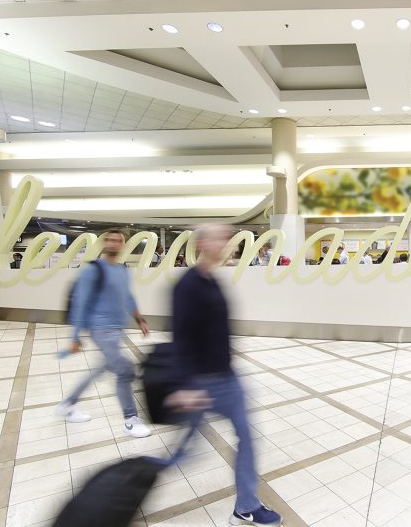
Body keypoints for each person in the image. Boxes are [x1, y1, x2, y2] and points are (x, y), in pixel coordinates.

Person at [166, 224, 282, 527]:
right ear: (203, 244)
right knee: (183, 455)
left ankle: (246, 506)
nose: (226, 243)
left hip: (226, 379)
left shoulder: (212, 279)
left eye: (226, 238)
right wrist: (183, 385)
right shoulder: (188, 285)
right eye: (219, 238)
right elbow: (181, 337)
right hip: (201, 383)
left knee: (247, 438)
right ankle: (126, 485)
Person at [57, 229, 152, 438]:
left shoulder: (122, 270)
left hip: (116, 330)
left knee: (100, 369)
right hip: (100, 329)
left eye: (117, 241)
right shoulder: (93, 270)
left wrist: (140, 319)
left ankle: (67, 404)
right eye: (109, 240)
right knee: (124, 370)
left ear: (123, 245)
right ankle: (130, 419)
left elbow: (127, 297)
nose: (113, 243)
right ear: (103, 244)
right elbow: (80, 303)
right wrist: (75, 336)